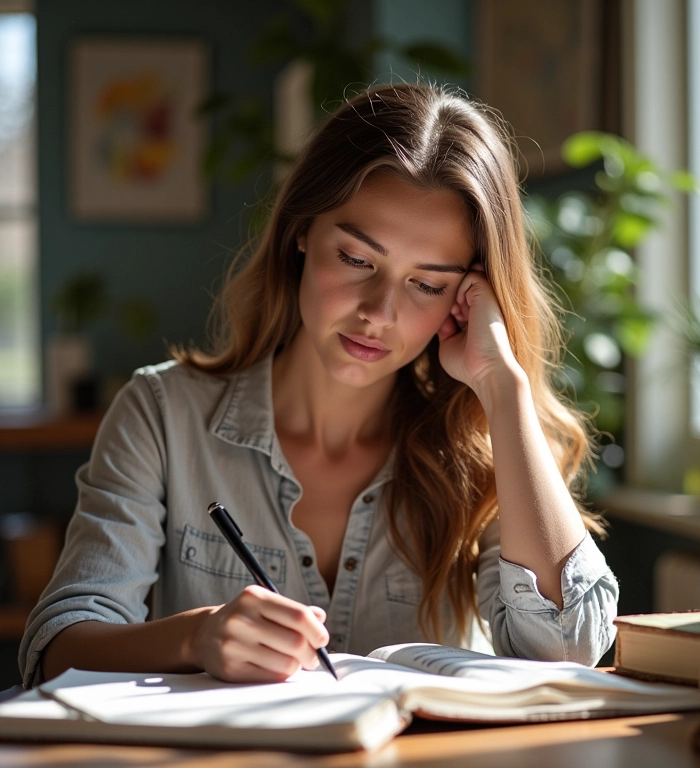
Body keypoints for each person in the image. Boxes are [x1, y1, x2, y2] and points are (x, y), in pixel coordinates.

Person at [20, 83, 618, 688]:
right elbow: (56, 649)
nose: (379, 312)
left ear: (465, 297)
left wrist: (503, 388)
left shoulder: (484, 446)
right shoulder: (161, 414)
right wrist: (195, 636)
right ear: (302, 230)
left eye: (428, 285)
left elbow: (570, 650)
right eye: (358, 260)